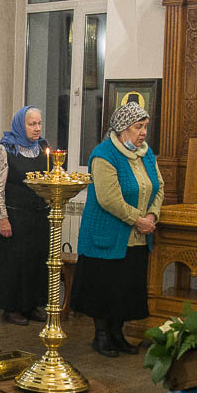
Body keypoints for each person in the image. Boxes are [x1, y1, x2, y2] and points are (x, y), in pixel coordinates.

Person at [70, 102, 164, 357]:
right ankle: (101, 336)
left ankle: (117, 334)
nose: (143, 132)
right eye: (138, 127)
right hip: (107, 234)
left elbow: (159, 187)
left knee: (125, 288)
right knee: (105, 287)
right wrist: (138, 219)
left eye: (145, 126)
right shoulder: (104, 154)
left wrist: (152, 215)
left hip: (137, 237)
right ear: (123, 129)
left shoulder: (146, 153)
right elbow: (108, 198)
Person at [0, 106, 50, 326]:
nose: (37, 128)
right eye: (32, 124)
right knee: (14, 264)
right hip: (14, 217)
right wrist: (2, 218)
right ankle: (11, 308)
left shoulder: (43, 148)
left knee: (35, 262)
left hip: (38, 216)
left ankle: (31, 305)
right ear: (21, 125)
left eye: (39, 123)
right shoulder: (6, 149)